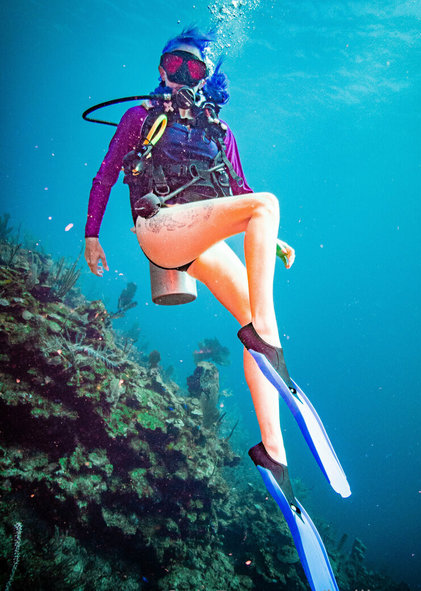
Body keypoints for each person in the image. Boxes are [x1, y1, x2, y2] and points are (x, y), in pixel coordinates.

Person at [84, 27, 349, 591]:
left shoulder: (219, 131)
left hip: (199, 236)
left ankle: (273, 455)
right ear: (160, 69)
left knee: (257, 310)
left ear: (207, 77)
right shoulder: (139, 118)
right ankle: (264, 340)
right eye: (173, 66)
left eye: (193, 69)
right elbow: (106, 173)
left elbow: (239, 188)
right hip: (159, 232)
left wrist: (273, 238)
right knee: (266, 211)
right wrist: (91, 236)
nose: (181, 77)